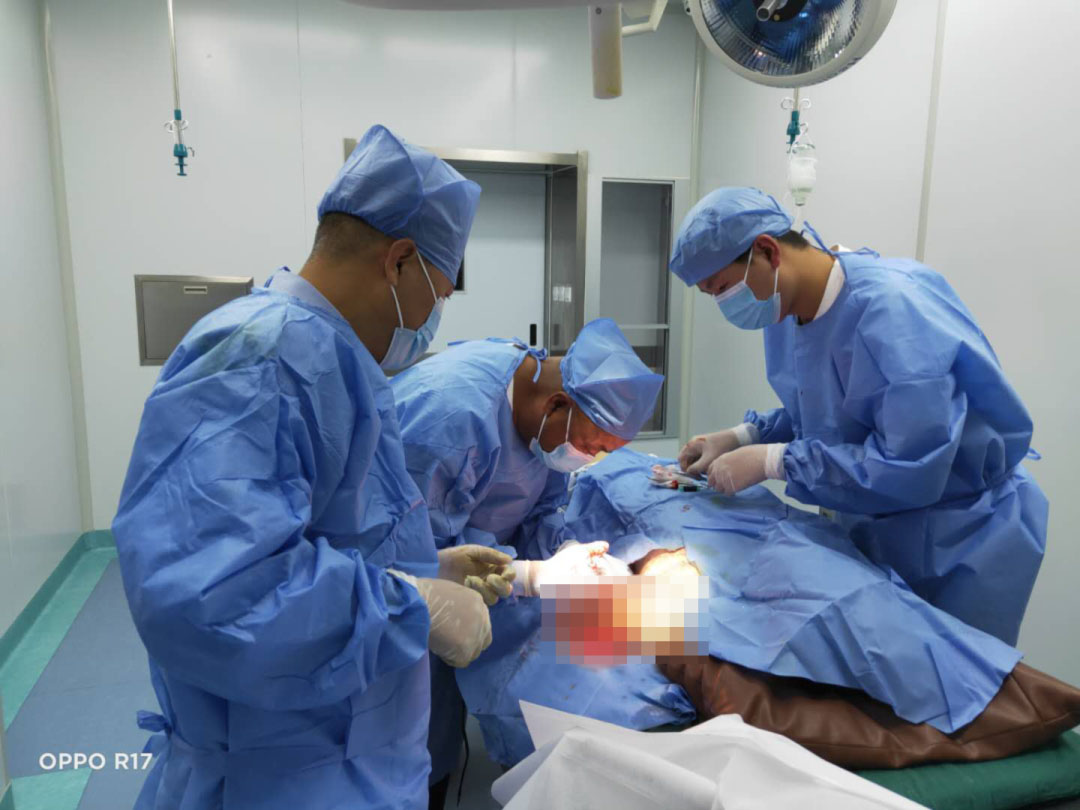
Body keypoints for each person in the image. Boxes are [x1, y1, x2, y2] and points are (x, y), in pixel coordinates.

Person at [112, 124, 508, 810]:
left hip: (346, 758)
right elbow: (216, 596)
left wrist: (424, 569)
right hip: (273, 776)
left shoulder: (330, 356)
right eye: (440, 294)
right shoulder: (261, 355)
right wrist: (408, 604)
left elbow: (326, 533)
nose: (434, 317)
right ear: (400, 261)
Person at [669, 187, 1048, 646]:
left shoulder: (892, 311)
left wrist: (774, 461)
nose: (724, 303)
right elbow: (827, 410)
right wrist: (744, 435)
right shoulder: (788, 311)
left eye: (722, 288)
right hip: (879, 523)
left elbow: (909, 461)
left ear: (767, 251)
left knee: (948, 675)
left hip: (964, 538)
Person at [390, 317, 664, 805]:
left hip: (450, 588)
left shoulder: (541, 416)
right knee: (398, 746)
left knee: (434, 738)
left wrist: (562, 552)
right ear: (556, 404)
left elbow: (541, 500)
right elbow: (401, 558)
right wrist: (526, 575)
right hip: (393, 615)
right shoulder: (448, 420)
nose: (589, 458)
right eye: (591, 446)